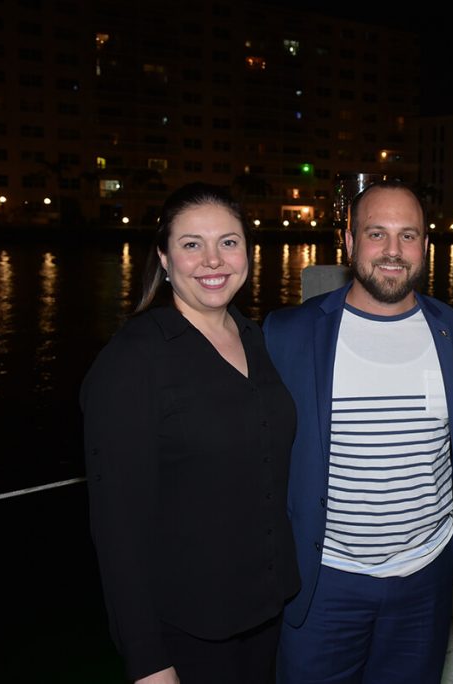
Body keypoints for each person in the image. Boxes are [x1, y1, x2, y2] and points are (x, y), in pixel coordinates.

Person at [81, 183, 299, 683]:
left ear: (247, 250)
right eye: (191, 244)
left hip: (269, 613)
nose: (212, 260)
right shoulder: (134, 360)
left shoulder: (257, 339)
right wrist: (148, 660)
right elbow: (116, 527)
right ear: (163, 256)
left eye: (228, 241)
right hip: (189, 630)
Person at [263, 180, 453, 683]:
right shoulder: (289, 333)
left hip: (425, 586)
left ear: (426, 245)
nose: (392, 251)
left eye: (408, 236)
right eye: (376, 233)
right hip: (324, 587)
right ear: (348, 241)